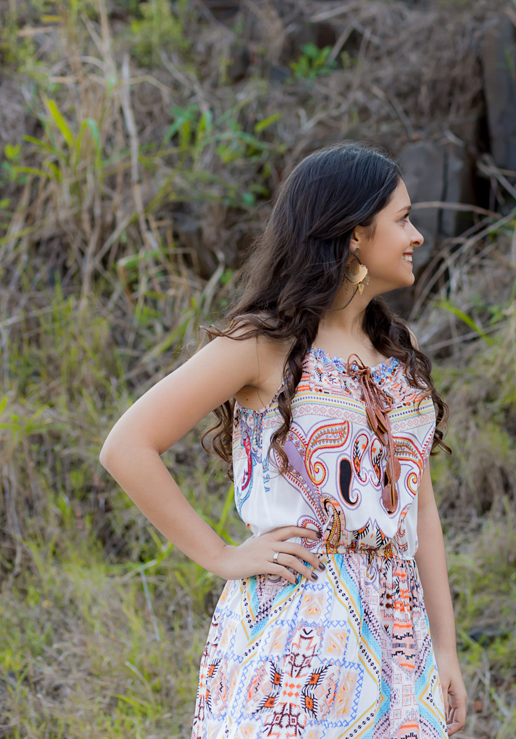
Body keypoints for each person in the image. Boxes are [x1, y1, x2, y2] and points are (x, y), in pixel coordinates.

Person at [99, 142, 467, 738]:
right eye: (402, 219)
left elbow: (419, 509)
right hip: (297, 630)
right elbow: (127, 446)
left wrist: (444, 649)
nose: (417, 235)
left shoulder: (399, 355)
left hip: (399, 635)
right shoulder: (262, 344)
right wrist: (221, 556)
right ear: (355, 235)